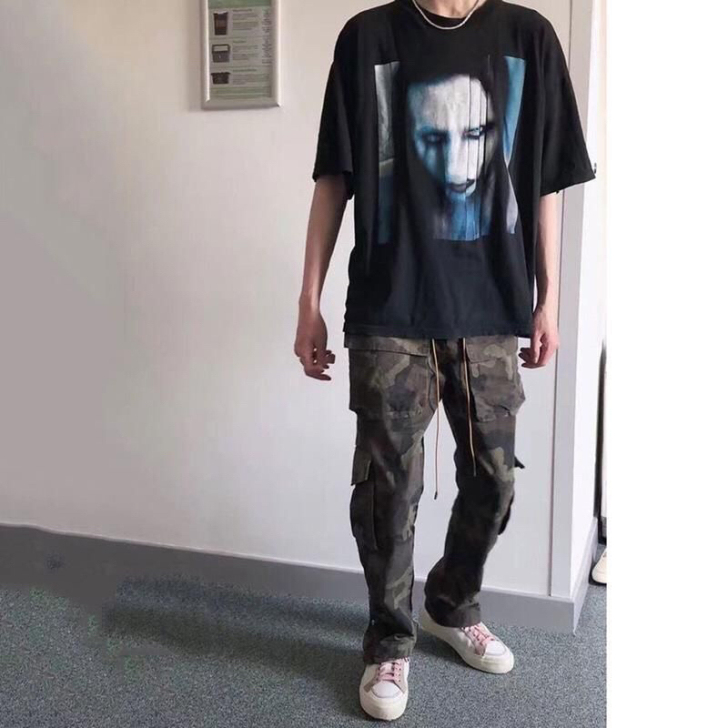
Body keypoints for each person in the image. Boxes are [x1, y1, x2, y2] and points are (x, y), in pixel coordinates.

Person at [295, 0, 595, 721]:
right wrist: (308, 299)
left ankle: (451, 604)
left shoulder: (529, 38)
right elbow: (334, 177)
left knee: (494, 479)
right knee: (387, 493)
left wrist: (548, 300)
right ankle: (388, 640)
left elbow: (545, 182)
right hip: (389, 305)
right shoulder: (367, 38)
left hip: (491, 306)